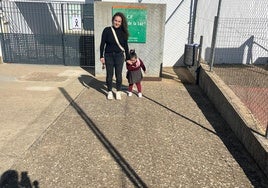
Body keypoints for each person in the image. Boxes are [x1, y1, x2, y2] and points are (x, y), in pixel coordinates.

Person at [100, 12, 130, 100]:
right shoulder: (107, 30)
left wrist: (128, 58)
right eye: (115, 20)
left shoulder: (123, 32)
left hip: (119, 56)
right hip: (108, 56)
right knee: (109, 75)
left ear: (121, 22)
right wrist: (101, 56)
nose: (117, 23)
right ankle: (109, 91)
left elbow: (126, 46)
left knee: (119, 75)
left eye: (119, 21)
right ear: (113, 20)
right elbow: (102, 44)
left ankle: (118, 91)